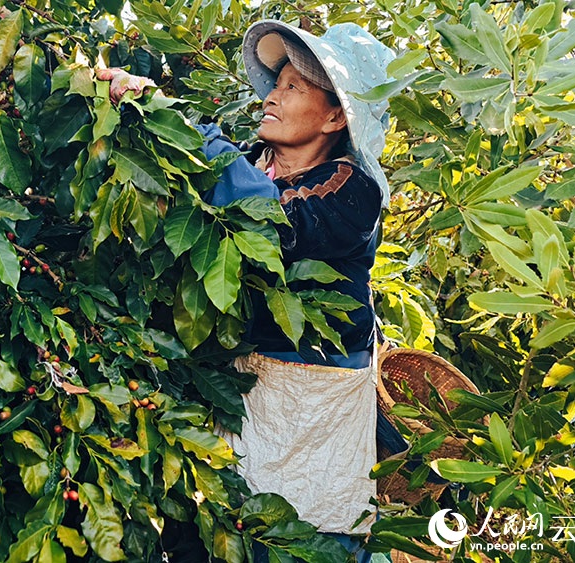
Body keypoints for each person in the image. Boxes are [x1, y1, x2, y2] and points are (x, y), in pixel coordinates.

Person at [101, 20, 395, 563]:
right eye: (275, 83)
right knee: (214, 531)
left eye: (292, 88)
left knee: (307, 538)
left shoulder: (352, 190)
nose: (272, 98)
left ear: (334, 116)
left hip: (312, 410)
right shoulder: (250, 159)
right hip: (230, 391)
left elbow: (269, 221)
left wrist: (176, 120)